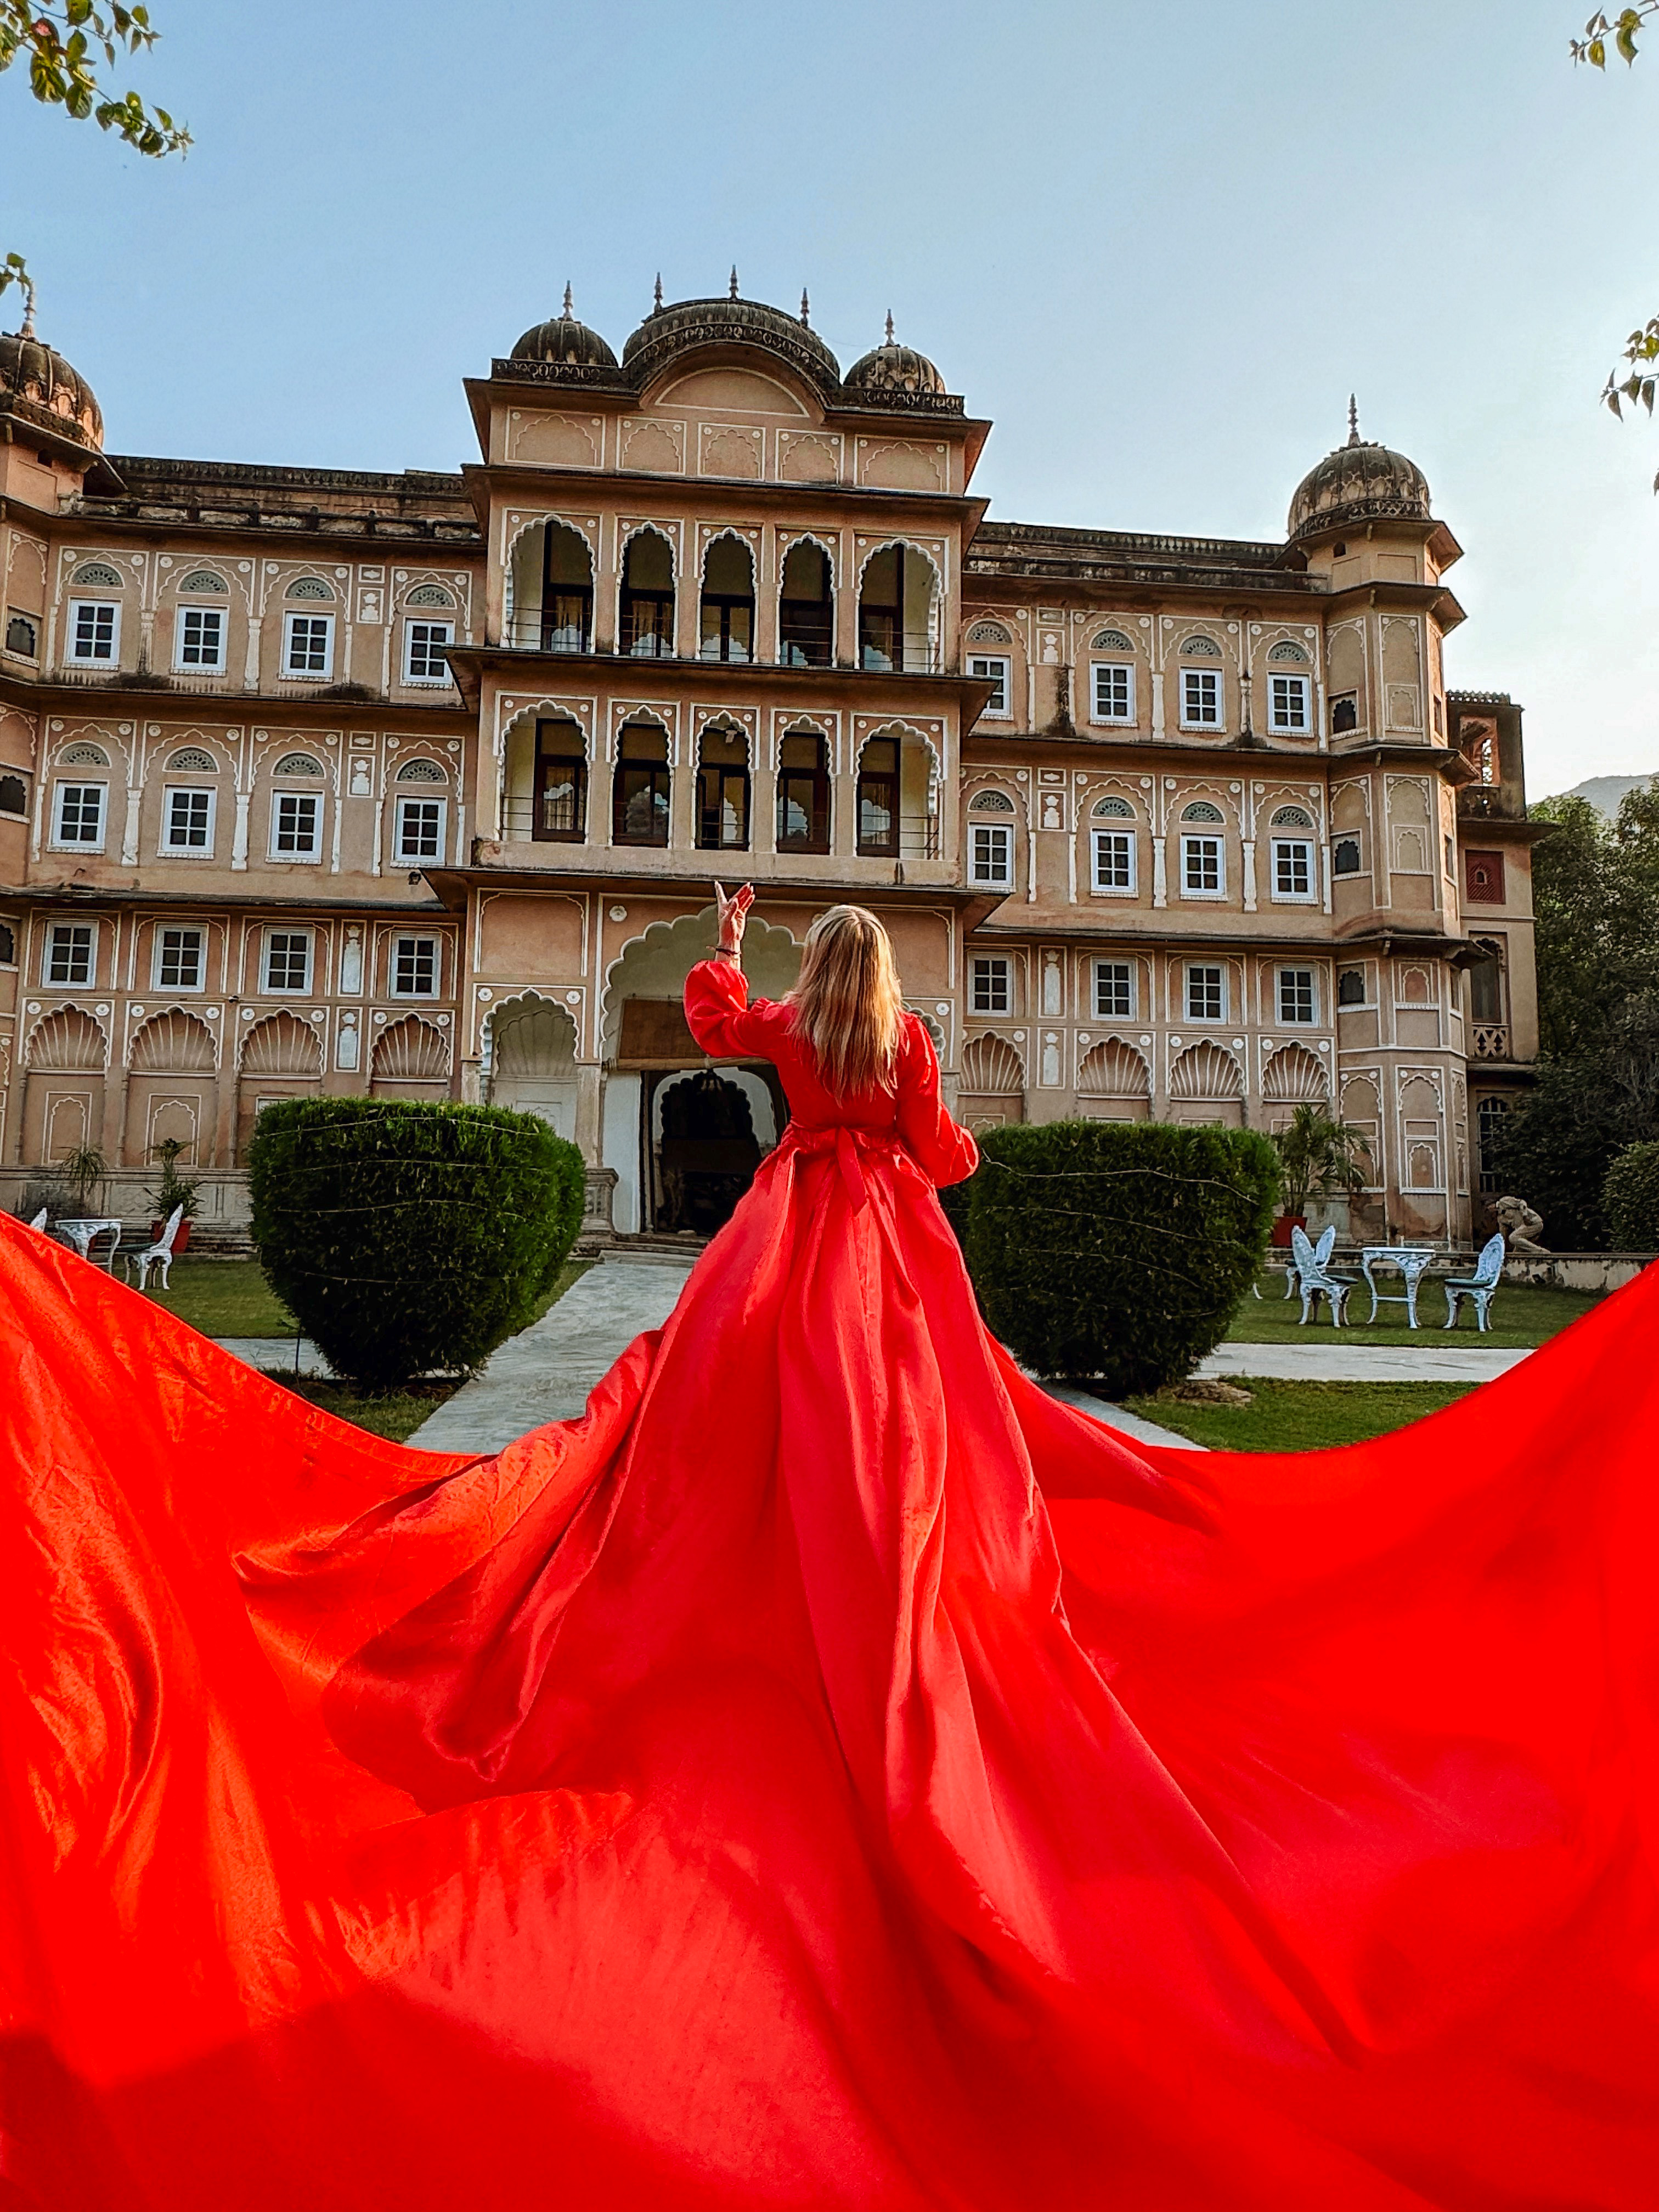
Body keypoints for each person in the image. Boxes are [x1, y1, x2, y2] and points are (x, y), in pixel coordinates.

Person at [1, 894, 1656, 2212]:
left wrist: (726, 937)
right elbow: (947, 1153)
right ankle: (895, 1605)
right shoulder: (902, 1039)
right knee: (916, 1445)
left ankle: (736, 1597)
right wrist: (920, 1132)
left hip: (786, 1231)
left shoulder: (788, 1031)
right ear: (895, 979)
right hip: (888, 1245)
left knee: (708, 1429)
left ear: (817, 970)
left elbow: (719, 1022)